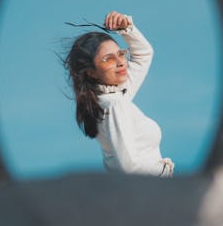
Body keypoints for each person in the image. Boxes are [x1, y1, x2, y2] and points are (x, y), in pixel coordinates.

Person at [63, 10, 174, 177]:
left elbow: (143, 54)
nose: (121, 62)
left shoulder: (114, 96)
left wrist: (126, 28)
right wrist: (166, 171)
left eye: (120, 54)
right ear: (91, 72)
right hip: (148, 194)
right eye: (108, 59)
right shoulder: (114, 105)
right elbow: (129, 168)